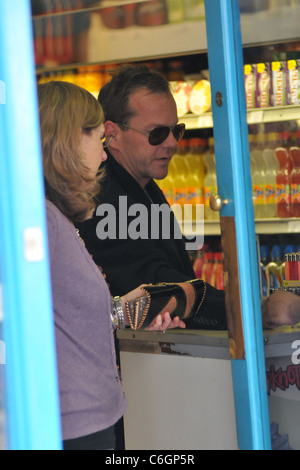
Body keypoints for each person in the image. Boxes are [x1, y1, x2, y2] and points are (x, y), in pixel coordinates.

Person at [38, 80, 186, 450]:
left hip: (91, 415)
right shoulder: (43, 222)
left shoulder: (58, 217)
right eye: (94, 137)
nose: (103, 154)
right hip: (73, 423)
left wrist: (123, 312)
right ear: (66, 142)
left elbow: (61, 320)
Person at [77, 64, 227, 331]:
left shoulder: (140, 182)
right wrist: (246, 310)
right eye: (156, 134)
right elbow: (157, 286)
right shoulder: (104, 196)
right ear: (112, 134)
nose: (171, 143)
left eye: (175, 130)